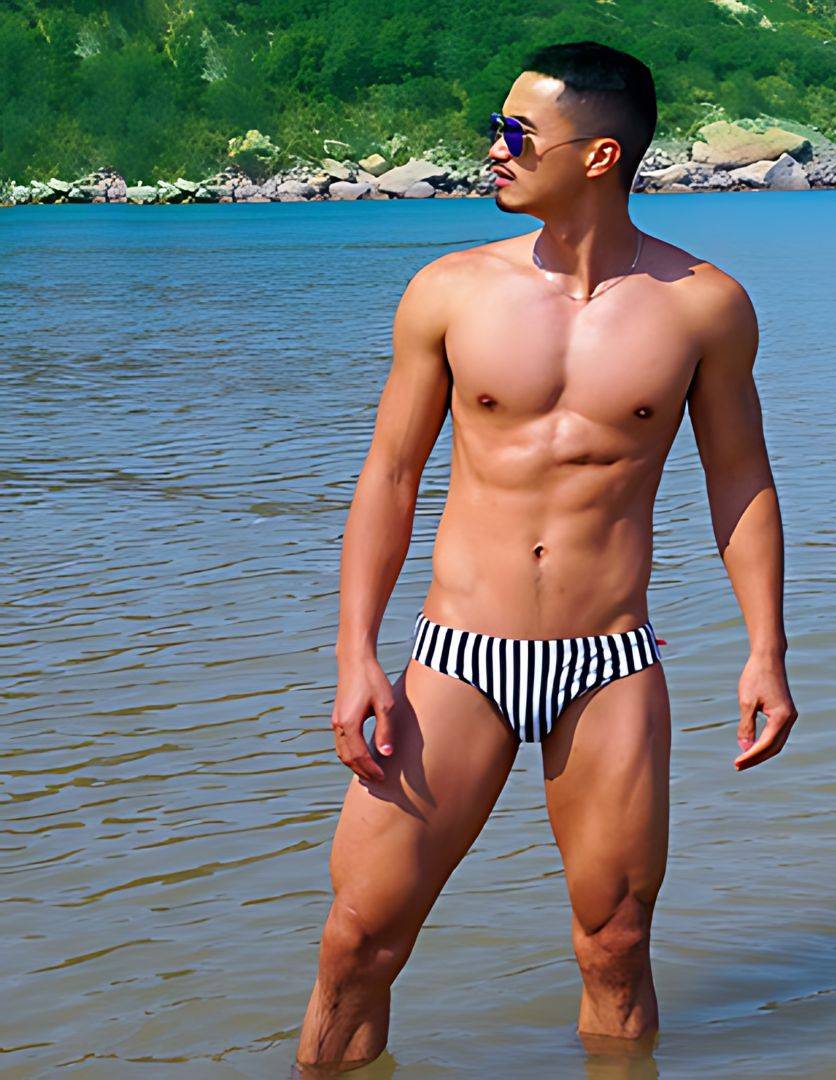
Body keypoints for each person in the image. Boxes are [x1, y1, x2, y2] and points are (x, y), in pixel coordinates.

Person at [295, 39, 797, 1070]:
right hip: (457, 659)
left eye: (516, 133)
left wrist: (766, 651)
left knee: (616, 945)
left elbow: (739, 480)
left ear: (601, 156)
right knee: (357, 942)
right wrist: (356, 658)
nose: (492, 148)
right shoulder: (448, 292)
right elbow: (388, 478)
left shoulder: (704, 305)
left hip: (607, 663)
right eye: (494, 128)